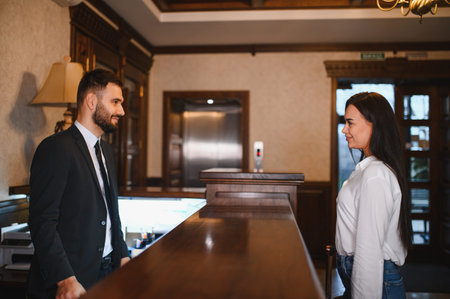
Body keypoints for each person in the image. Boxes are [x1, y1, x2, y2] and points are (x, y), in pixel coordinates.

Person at [28, 69, 131, 299]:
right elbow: (42, 221)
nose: (121, 111)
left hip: (107, 274)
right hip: (71, 281)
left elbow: (111, 213)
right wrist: (65, 278)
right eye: (115, 102)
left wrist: (123, 257)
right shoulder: (55, 148)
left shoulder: (107, 150)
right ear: (91, 101)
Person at [335, 92, 411, 299]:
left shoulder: (376, 174)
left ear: (374, 125)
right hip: (367, 276)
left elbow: (369, 248)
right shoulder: (369, 169)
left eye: (350, 123)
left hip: (376, 280)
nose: (344, 129)